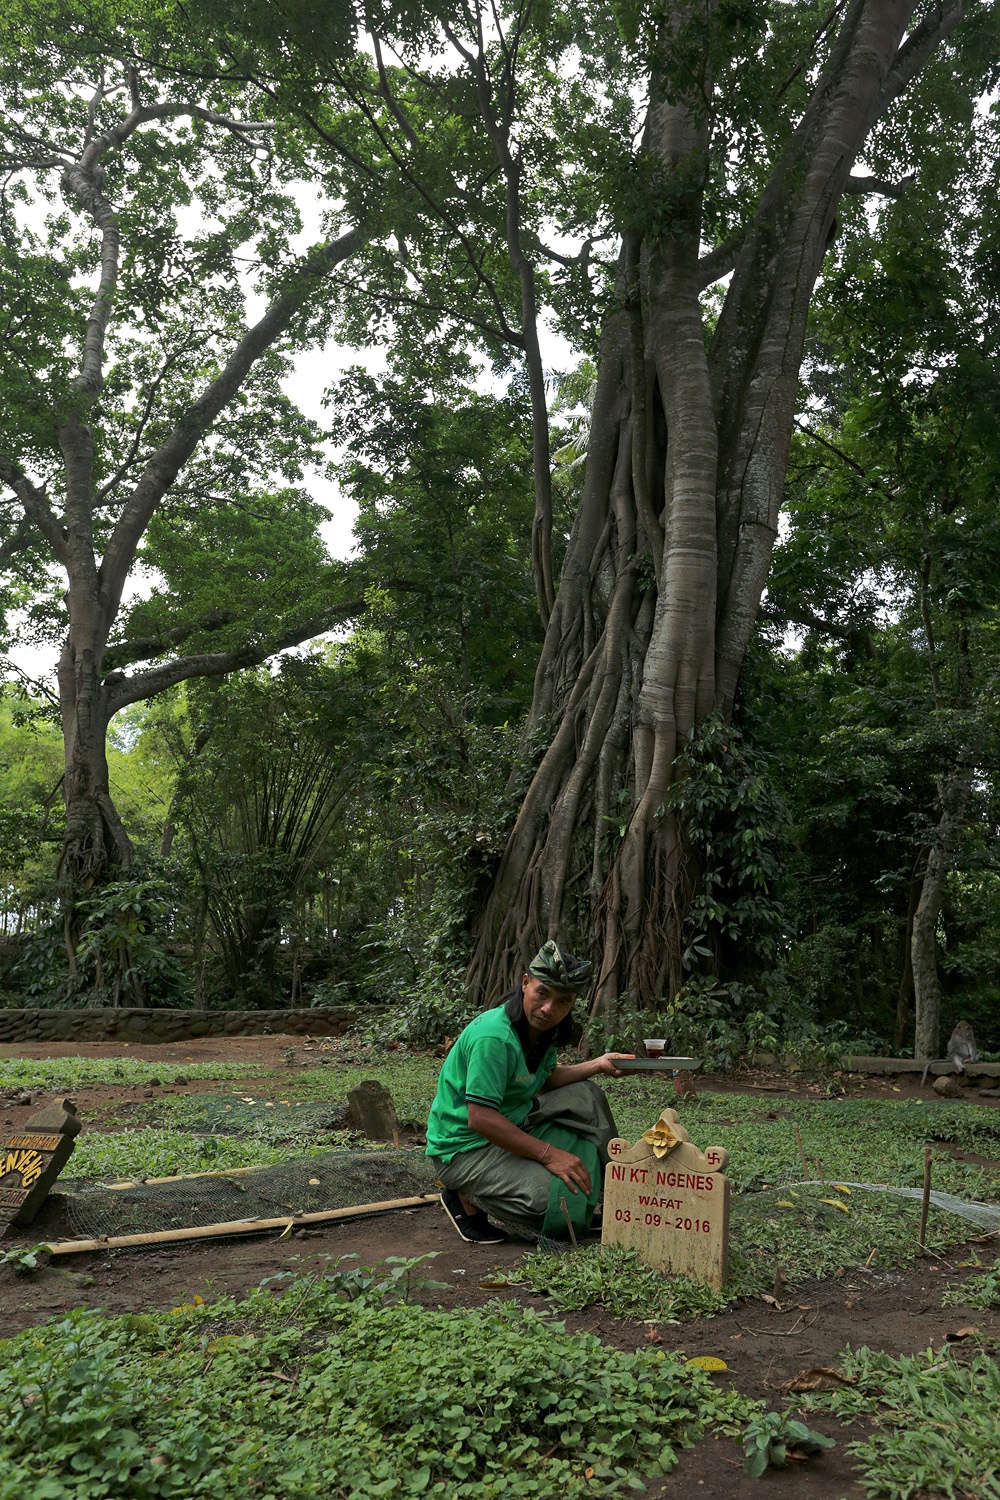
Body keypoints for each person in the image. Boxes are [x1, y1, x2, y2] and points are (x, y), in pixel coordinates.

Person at [426, 939, 633, 1243]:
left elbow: (542, 1079)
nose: (549, 1009)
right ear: (525, 983)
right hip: (465, 1150)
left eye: (563, 1001)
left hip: (515, 1123)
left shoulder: (542, 1031)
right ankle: (465, 1196)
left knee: (587, 1095)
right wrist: (549, 1155)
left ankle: (616, 1190)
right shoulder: (494, 1038)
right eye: (542, 993)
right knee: (552, 1204)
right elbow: (480, 1118)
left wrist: (600, 1064)